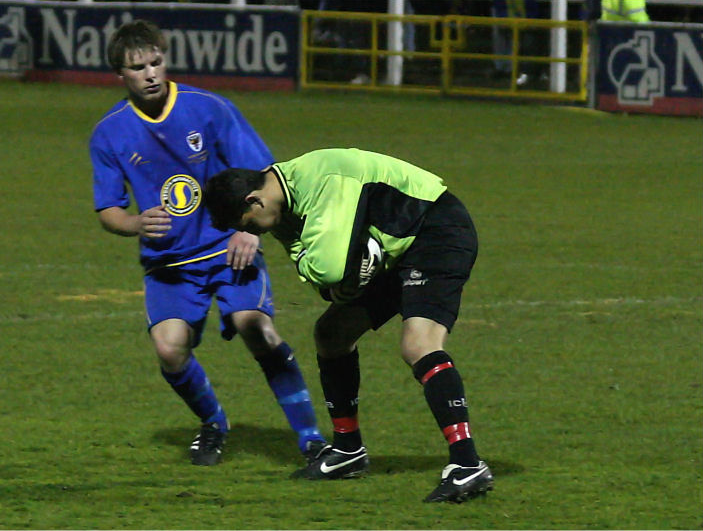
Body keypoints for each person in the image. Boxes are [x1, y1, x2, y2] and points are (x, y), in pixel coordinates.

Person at [89, 20, 326, 468]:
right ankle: (213, 424)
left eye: (157, 61)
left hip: (227, 246)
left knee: (257, 328)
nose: (151, 73)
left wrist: (247, 230)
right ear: (120, 75)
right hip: (169, 263)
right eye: (138, 68)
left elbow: (263, 177)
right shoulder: (109, 133)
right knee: (169, 348)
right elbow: (108, 211)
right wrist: (136, 222)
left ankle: (312, 438)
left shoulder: (210, 109)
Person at [203, 148, 494, 503]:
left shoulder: (323, 180)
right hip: (391, 249)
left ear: (255, 200)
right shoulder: (281, 197)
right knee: (331, 334)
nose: (251, 232)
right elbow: (317, 271)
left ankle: (468, 465)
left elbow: (329, 270)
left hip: (434, 230)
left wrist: (336, 274)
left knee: (420, 344)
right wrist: (335, 273)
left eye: (246, 223)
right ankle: (348, 451)